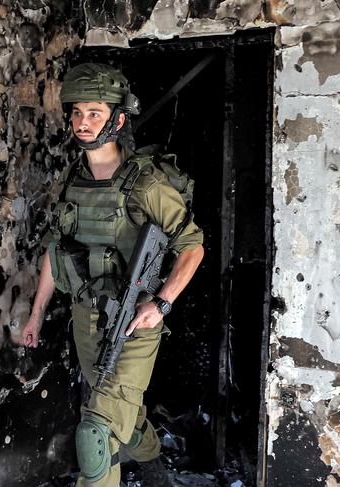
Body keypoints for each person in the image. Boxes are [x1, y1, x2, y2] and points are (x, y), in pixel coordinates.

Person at [22, 63, 204, 487]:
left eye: (94, 113)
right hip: (86, 321)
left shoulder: (146, 184)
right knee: (122, 415)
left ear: (117, 119)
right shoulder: (69, 181)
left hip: (135, 324)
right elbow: (56, 251)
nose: (82, 123)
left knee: (94, 432)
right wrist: (35, 315)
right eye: (77, 113)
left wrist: (161, 304)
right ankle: (155, 464)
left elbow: (192, 247)